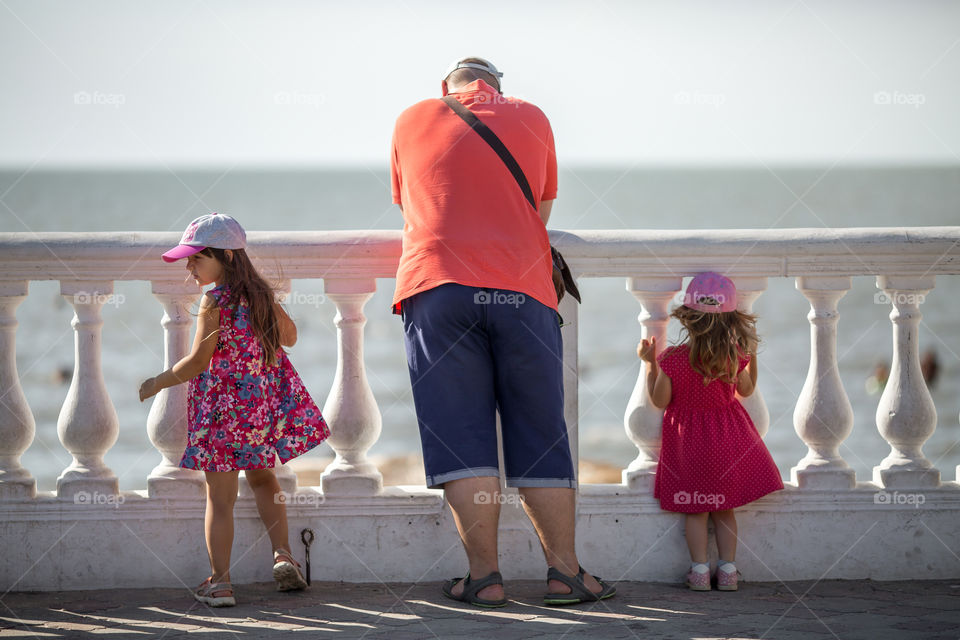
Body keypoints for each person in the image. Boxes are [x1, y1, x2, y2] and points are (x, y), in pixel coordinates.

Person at [390, 57, 615, 607]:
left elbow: (408, 204)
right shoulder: (533, 117)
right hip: (521, 289)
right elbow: (538, 206)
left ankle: (485, 579)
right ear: (497, 87)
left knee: (460, 436)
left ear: (447, 88)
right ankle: (566, 575)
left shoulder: (410, 118)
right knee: (541, 432)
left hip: (438, 288)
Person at [139, 212, 329, 607]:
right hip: (257, 412)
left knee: (220, 499)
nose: (190, 267)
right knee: (265, 482)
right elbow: (290, 336)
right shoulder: (259, 297)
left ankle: (221, 583)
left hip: (220, 416)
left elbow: (197, 363)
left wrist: (157, 382)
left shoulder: (215, 300)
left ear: (225, 255)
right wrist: (269, 312)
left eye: (196, 258)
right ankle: (283, 553)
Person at [637, 272, 783, 592]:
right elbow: (747, 389)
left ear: (687, 319)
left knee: (696, 512)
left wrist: (650, 365)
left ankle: (700, 572)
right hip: (727, 443)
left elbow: (659, 400)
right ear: (731, 320)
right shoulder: (733, 356)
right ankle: (728, 572)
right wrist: (752, 356)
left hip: (689, 444)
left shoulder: (673, 359)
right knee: (724, 510)